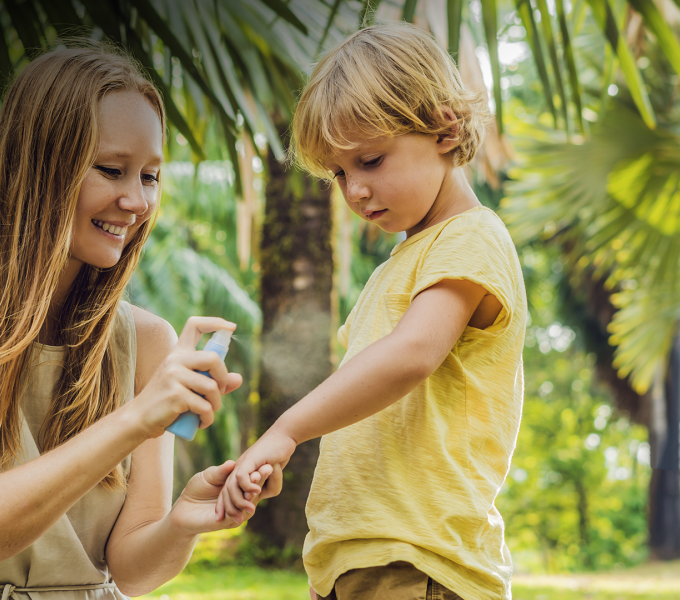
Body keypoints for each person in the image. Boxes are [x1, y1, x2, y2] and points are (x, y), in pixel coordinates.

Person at [0, 43, 278, 600]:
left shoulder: (144, 341)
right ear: (37, 167)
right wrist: (137, 419)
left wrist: (185, 518)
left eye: (149, 176)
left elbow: (130, 570)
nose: (137, 201)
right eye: (111, 170)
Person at [217, 23, 526, 600]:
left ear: (444, 127)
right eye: (339, 173)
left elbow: (411, 356)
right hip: (358, 557)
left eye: (371, 160)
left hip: (417, 559)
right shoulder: (402, 263)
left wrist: (286, 431)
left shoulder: (471, 238)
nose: (355, 189)